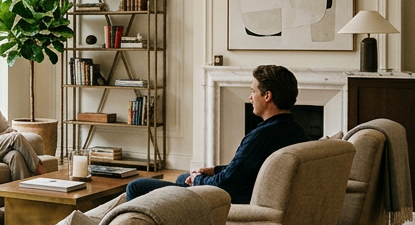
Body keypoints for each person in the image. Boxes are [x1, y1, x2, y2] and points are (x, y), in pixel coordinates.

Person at [125, 64, 309, 205]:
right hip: (249, 191)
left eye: (253, 92)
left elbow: (226, 185)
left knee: (136, 186)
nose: (250, 98)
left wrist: (199, 179)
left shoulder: (262, 135)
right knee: (183, 177)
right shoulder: (296, 130)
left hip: (228, 202)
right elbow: (248, 168)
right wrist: (213, 170)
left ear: (267, 96)